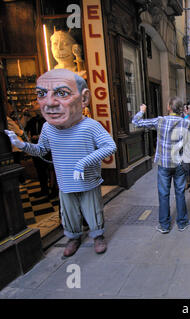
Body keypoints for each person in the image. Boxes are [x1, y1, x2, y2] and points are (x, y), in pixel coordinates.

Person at [4, 68, 117, 258]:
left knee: (93, 211)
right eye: (41, 94)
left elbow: (110, 146)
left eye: (62, 93)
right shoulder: (48, 128)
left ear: (84, 99)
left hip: (88, 181)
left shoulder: (90, 126)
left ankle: (98, 236)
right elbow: (41, 151)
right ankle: (73, 237)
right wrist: (21, 145)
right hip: (65, 182)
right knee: (69, 213)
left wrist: (83, 163)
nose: (49, 103)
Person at [132, 97, 190, 234]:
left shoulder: (160, 120)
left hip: (164, 164)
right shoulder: (187, 124)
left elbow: (136, 122)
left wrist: (141, 111)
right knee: (180, 193)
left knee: (163, 194)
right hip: (179, 164)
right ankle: (182, 223)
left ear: (169, 107)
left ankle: (164, 225)